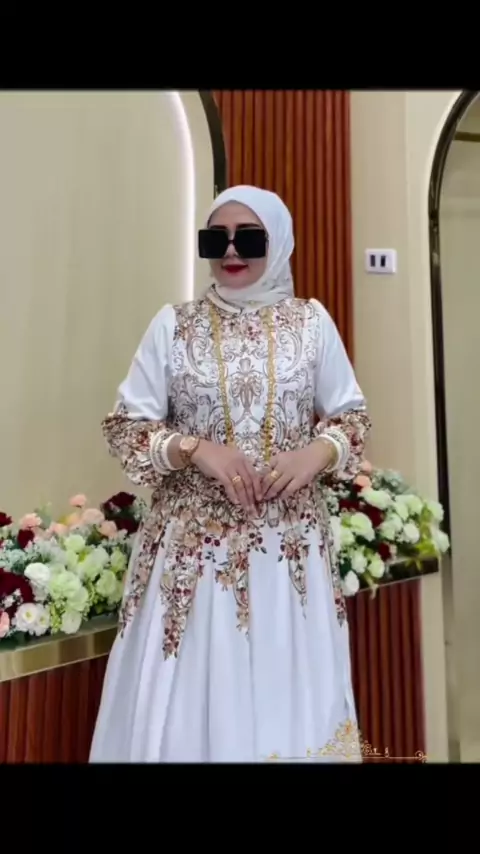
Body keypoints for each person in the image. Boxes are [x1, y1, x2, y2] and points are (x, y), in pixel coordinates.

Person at [89, 184, 371, 763]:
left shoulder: (311, 323)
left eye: (249, 238)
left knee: (285, 695)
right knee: (191, 702)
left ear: (280, 241)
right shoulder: (174, 326)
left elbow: (352, 417)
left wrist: (316, 453)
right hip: (193, 555)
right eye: (216, 239)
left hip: (288, 551)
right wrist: (193, 448)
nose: (232, 251)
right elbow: (125, 427)